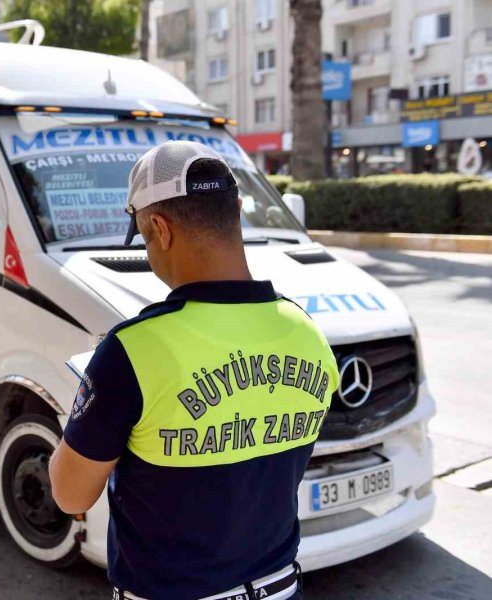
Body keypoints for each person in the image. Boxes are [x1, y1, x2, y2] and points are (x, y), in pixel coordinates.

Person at [49, 141, 340, 600]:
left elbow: (70, 495)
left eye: (144, 238)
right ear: (236, 211)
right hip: (281, 588)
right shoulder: (308, 333)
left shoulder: (132, 350)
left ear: (160, 229)